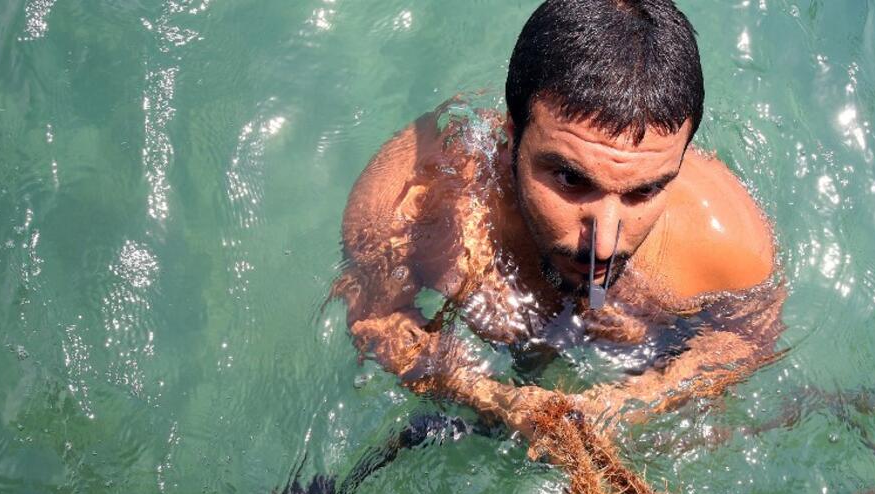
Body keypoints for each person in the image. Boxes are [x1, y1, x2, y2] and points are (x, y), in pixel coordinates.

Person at [332, 0, 786, 445]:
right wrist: (492, 400)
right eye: (571, 179)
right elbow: (377, 319)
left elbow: (746, 342)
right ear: (512, 137)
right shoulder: (414, 205)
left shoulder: (729, 246)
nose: (605, 245)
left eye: (644, 190)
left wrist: (630, 404)